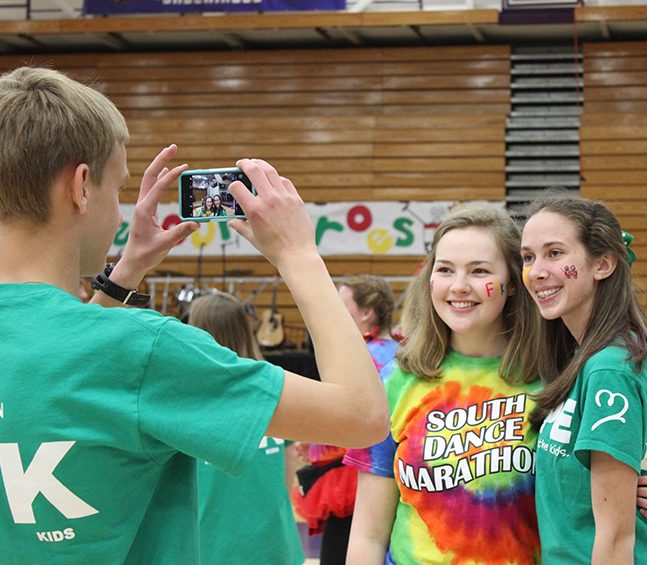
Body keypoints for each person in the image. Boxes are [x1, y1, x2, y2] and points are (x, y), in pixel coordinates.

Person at [0, 66, 388, 563]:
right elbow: (363, 417)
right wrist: (299, 256)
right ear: (80, 187)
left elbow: (54, 378)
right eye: (117, 190)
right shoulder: (142, 350)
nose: (120, 214)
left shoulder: (100, 350)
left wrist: (125, 274)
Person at [346, 205, 647, 564]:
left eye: (480, 271)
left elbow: (588, 490)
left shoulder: (559, 374)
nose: (459, 286)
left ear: (514, 285)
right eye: (444, 270)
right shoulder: (396, 381)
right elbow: (368, 534)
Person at [520, 191, 647, 564]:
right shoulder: (582, 356)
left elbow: (616, 538)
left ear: (603, 264)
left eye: (555, 253)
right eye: (528, 257)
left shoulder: (611, 369)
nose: (537, 270)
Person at [188, 291, 304, 565]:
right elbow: (288, 474)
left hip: (210, 544)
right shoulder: (274, 386)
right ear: (245, 330)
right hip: (274, 542)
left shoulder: (187, 396)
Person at [292, 275, 400, 564]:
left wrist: (314, 443)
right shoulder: (399, 352)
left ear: (367, 312)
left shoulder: (363, 357)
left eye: (343, 306)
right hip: (385, 481)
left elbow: (350, 419)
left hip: (354, 485)